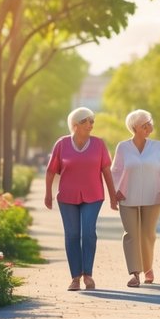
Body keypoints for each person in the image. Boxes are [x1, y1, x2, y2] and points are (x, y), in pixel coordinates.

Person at [44, 107, 118, 292]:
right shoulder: (62, 144)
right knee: (72, 235)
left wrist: (113, 196)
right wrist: (47, 194)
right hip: (67, 196)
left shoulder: (99, 144)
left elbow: (106, 171)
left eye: (92, 121)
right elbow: (51, 170)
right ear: (75, 124)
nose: (91, 124)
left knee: (88, 233)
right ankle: (75, 278)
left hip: (93, 196)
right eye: (87, 121)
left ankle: (88, 275)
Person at [111, 110, 160, 287]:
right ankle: (135, 273)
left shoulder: (157, 146)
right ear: (135, 128)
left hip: (153, 196)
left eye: (150, 124)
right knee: (131, 234)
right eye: (145, 125)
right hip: (127, 196)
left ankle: (148, 267)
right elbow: (116, 170)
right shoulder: (123, 147)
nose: (149, 128)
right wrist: (116, 191)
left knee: (147, 234)